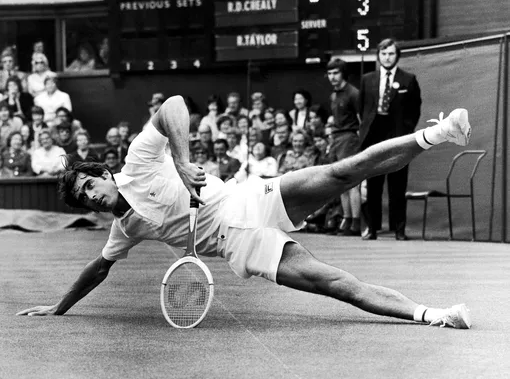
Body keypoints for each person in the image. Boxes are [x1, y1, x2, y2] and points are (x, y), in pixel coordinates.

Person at [16, 95, 472, 331]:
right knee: (337, 285)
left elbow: (174, 107)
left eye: (90, 183)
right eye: (82, 196)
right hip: (242, 245)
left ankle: (438, 133)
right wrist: (60, 306)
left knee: (342, 172)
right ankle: (435, 315)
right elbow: (98, 269)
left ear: (105, 174)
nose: (91, 194)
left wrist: (178, 158)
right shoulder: (123, 228)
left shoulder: (138, 160)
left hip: (248, 199)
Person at [359, 38, 422, 241]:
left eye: (391, 54)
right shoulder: (367, 79)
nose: (387, 57)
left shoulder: (408, 79)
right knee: (373, 185)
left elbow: (415, 109)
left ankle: (399, 229)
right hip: (374, 135)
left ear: (397, 56)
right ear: (378, 56)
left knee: (397, 185)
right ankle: (373, 228)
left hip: (398, 137)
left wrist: (405, 131)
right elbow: (363, 108)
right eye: (384, 53)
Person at [327, 58, 362, 236]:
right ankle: (346, 219)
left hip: (349, 138)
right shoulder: (333, 95)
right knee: (340, 182)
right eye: (330, 73)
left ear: (343, 74)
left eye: (336, 73)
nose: (332, 77)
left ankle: (356, 222)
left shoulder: (354, 93)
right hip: (336, 138)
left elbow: (361, 119)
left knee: (351, 181)